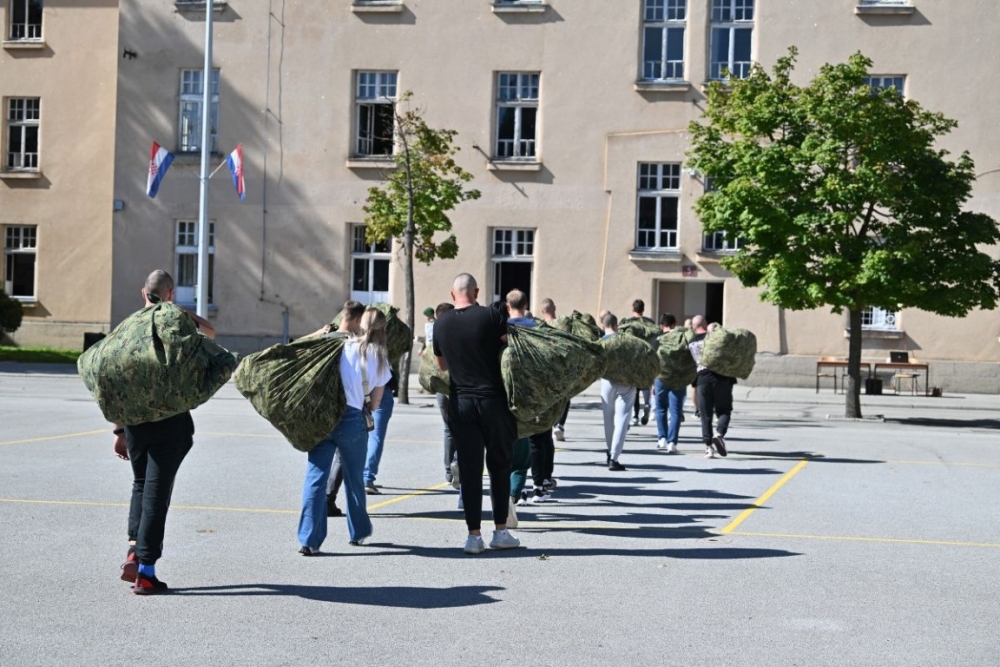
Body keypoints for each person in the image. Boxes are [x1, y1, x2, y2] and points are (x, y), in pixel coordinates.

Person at [115, 269, 216, 595]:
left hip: (134, 422)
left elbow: (113, 377)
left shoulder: (127, 329)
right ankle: (146, 570)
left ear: (142, 293)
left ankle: (134, 548)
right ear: (171, 294)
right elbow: (211, 335)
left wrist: (119, 429)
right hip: (170, 422)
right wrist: (182, 311)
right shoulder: (180, 325)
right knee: (157, 492)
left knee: (141, 483)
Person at [434, 273, 521, 554]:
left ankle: (473, 537)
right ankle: (500, 532)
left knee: (470, 471)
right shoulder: (491, 316)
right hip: (492, 401)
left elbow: (442, 365)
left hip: (460, 403)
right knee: (499, 466)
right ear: (477, 291)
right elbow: (511, 348)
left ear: (452, 294)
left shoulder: (441, 322)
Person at [299, 307, 392, 555]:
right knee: (354, 478)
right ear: (383, 329)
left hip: (324, 418)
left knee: (315, 477)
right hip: (352, 418)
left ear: (360, 324)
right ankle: (358, 532)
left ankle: (309, 539)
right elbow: (375, 404)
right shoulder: (379, 357)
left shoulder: (339, 346)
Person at [319, 300, 365, 518]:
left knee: (318, 465)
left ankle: (318, 507)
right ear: (356, 320)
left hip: (322, 407)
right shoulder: (357, 344)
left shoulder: (324, 340)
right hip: (347, 407)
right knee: (345, 461)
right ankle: (330, 501)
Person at [687, 315, 733, 459]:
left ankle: (708, 448)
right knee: (724, 410)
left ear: (693, 327)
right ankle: (719, 434)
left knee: (705, 414)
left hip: (702, 378)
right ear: (705, 324)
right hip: (721, 377)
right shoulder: (715, 338)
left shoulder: (692, 342)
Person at [599, 312, 635, 471]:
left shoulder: (599, 343)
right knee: (622, 419)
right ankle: (614, 457)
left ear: (602, 325)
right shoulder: (625, 341)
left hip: (606, 380)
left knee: (608, 418)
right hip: (625, 380)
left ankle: (609, 452)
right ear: (617, 325)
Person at [433, 302, 458, 489]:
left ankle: (449, 472)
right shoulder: (458, 331)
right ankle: (457, 462)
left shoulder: (435, 332)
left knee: (449, 429)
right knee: (466, 428)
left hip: (442, 387)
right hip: (459, 385)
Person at [653, 313, 686, 454]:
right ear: (674, 324)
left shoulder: (658, 340)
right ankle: (672, 442)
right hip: (679, 378)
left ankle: (662, 439)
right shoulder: (682, 337)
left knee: (660, 408)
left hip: (661, 377)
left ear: (661, 326)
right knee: (675, 411)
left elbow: (653, 361)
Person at [538, 297, 569, 442]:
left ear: (542, 311)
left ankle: (550, 426)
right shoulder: (563, 324)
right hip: (562, 368)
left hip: (545, 369)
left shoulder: (540, 328)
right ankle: (559, 424)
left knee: (547, 400)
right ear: (554, 308)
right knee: (564, 398)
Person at [629, 299, 654, 427]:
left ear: (633, 309)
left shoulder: (628, 323)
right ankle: (648, 404)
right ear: (643, 309)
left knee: (634, 389)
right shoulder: (650, 323)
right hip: (647, 358)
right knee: (645, 385)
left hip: (633, 359)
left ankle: (635, 415)